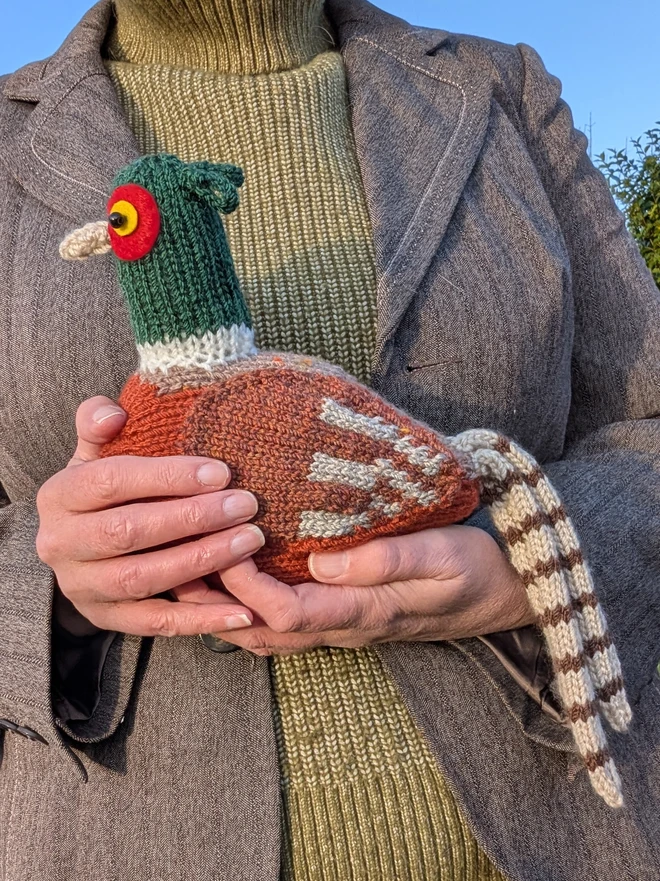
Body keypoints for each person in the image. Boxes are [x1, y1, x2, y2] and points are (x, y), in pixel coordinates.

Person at [0, 0, 658, 878]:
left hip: (555, 835)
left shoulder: (506, 89)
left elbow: (646, 421)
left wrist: (524, 565)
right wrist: (57, 589)